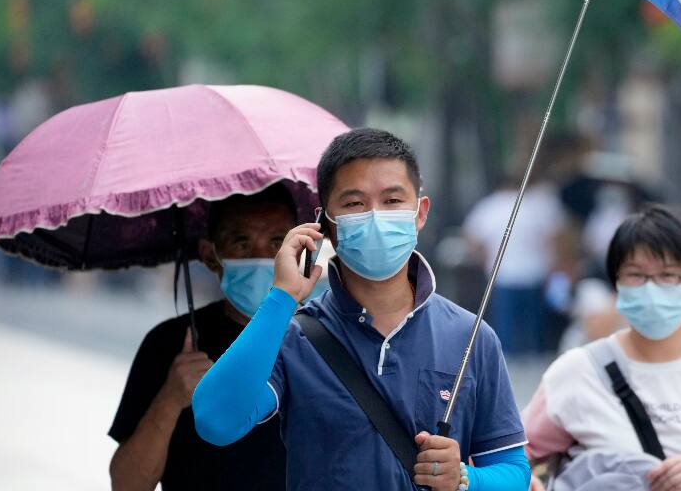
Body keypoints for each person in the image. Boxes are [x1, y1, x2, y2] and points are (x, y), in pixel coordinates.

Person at [192, 129, 530, 491]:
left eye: (392, 200)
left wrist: (466, 478)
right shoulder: (294, 336)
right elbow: (216, 421)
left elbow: (513, 469)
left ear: (420, 213)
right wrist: (282, 297)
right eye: (354, 203)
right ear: (325, 223)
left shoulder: (471, 337)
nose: (374, 217)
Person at [523, 204, 681, 490]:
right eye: (636, 275)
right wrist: (526, 480)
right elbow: (510, 456)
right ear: (617, 283)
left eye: (668, 276)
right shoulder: (577, 371)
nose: (651, 289)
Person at [109, 183, 305, 491]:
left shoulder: (328, 340)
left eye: (277, 242)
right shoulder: (171, 343)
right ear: (210, 255)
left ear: (300, 249)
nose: (261, 256)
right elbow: (127, 484)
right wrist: (170, 400)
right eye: (241, 243)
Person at [463, 170, 570, 356]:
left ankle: (506, 365)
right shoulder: (535, 206)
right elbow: (555, 236)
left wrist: (484, 259)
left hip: (502, 273)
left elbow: (473, 238)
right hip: (534, 272)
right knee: (534, 325)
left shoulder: (489, 206)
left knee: (505, 326)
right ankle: (535, 359)